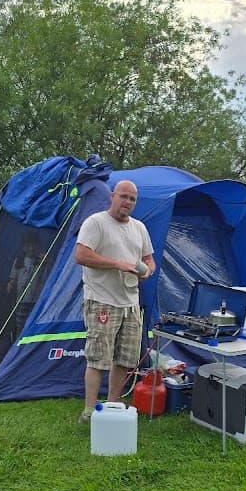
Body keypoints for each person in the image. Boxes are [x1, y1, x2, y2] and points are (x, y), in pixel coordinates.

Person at [75, 180, 155, 423]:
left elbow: (149, 259)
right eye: (124, 196)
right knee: (98, 359)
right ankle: (89, 412)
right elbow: (81, 255)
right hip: (101, 300)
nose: (127, 202)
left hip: (130, 303)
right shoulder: (96, 222)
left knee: (124, 359)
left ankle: (112, 404)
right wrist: (118, 264)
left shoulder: (139, 227)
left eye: (132, 199)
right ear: (112, 196)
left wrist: (147, 271)